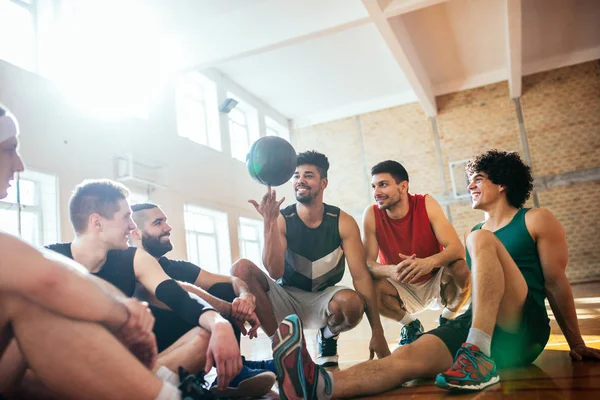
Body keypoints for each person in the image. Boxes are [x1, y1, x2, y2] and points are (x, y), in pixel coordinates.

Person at [271, 150, 600, 399]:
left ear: (502, 184)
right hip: (474, 325)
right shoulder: (477, 228)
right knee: (406, 357)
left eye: (478, 179)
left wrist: (576, 343)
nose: (469, 185)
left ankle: (476, 352)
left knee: (477, 240)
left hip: (522, 324)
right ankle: (318, 385)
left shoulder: (536, 220)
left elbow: (556, 283)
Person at [0, 104, 185, 400]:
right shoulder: (42, 257)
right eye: (9, 149)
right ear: (97, 222)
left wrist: (216, 316)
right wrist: (125, 316)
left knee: (45, 303)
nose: (19, 164)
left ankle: (165, 387)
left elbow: (65, 276)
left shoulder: (130, 258)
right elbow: (51, 279)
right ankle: (168, 393)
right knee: (41, 302)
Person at [46, 179, 275, 398]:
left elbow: (177, 295)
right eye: (126, 217)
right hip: (67, 371)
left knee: (205, 333)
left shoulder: (134, 259)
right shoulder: (48, 259)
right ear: (97, 222)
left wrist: (220, 324)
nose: (131, 225)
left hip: (120, 368)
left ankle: (149, 390)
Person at [233, 150, 390, 367]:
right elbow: (275, 271)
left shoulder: (342, 221)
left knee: (352, 304)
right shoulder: (282, 219)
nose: (300, 181)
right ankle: (281, 347)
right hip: (286, 296)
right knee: (241, 268)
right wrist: (268, 222)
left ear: (323, 183)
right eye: (296, 176)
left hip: (322, 299)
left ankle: (327, 336)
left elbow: (361, 277)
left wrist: (377, 332)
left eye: (308, 175)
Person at [130, 202, 270, 371]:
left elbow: (232, 280)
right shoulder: (130, 269)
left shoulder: (178, 267)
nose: (168, 227)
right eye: (158, 223)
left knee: (223, 289)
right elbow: (175, 291)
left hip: (199, 342)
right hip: (162, 355)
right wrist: (231, 310)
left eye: (165, 221)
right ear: (135, 234)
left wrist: (245, 296)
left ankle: (234, 369)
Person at [363, 160, 471, 345]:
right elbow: (368, 265)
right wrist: (392, 270)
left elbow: (457, 249)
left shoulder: (425, 203)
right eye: (374, 186)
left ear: (403, 186)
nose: (376, 193)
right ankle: (410, 326)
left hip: (435, 279)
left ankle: (448, 319)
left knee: (462, 268)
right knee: (366, 284)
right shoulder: (371, 214)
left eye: (383, 185)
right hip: (400, 284)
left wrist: (427, 263)